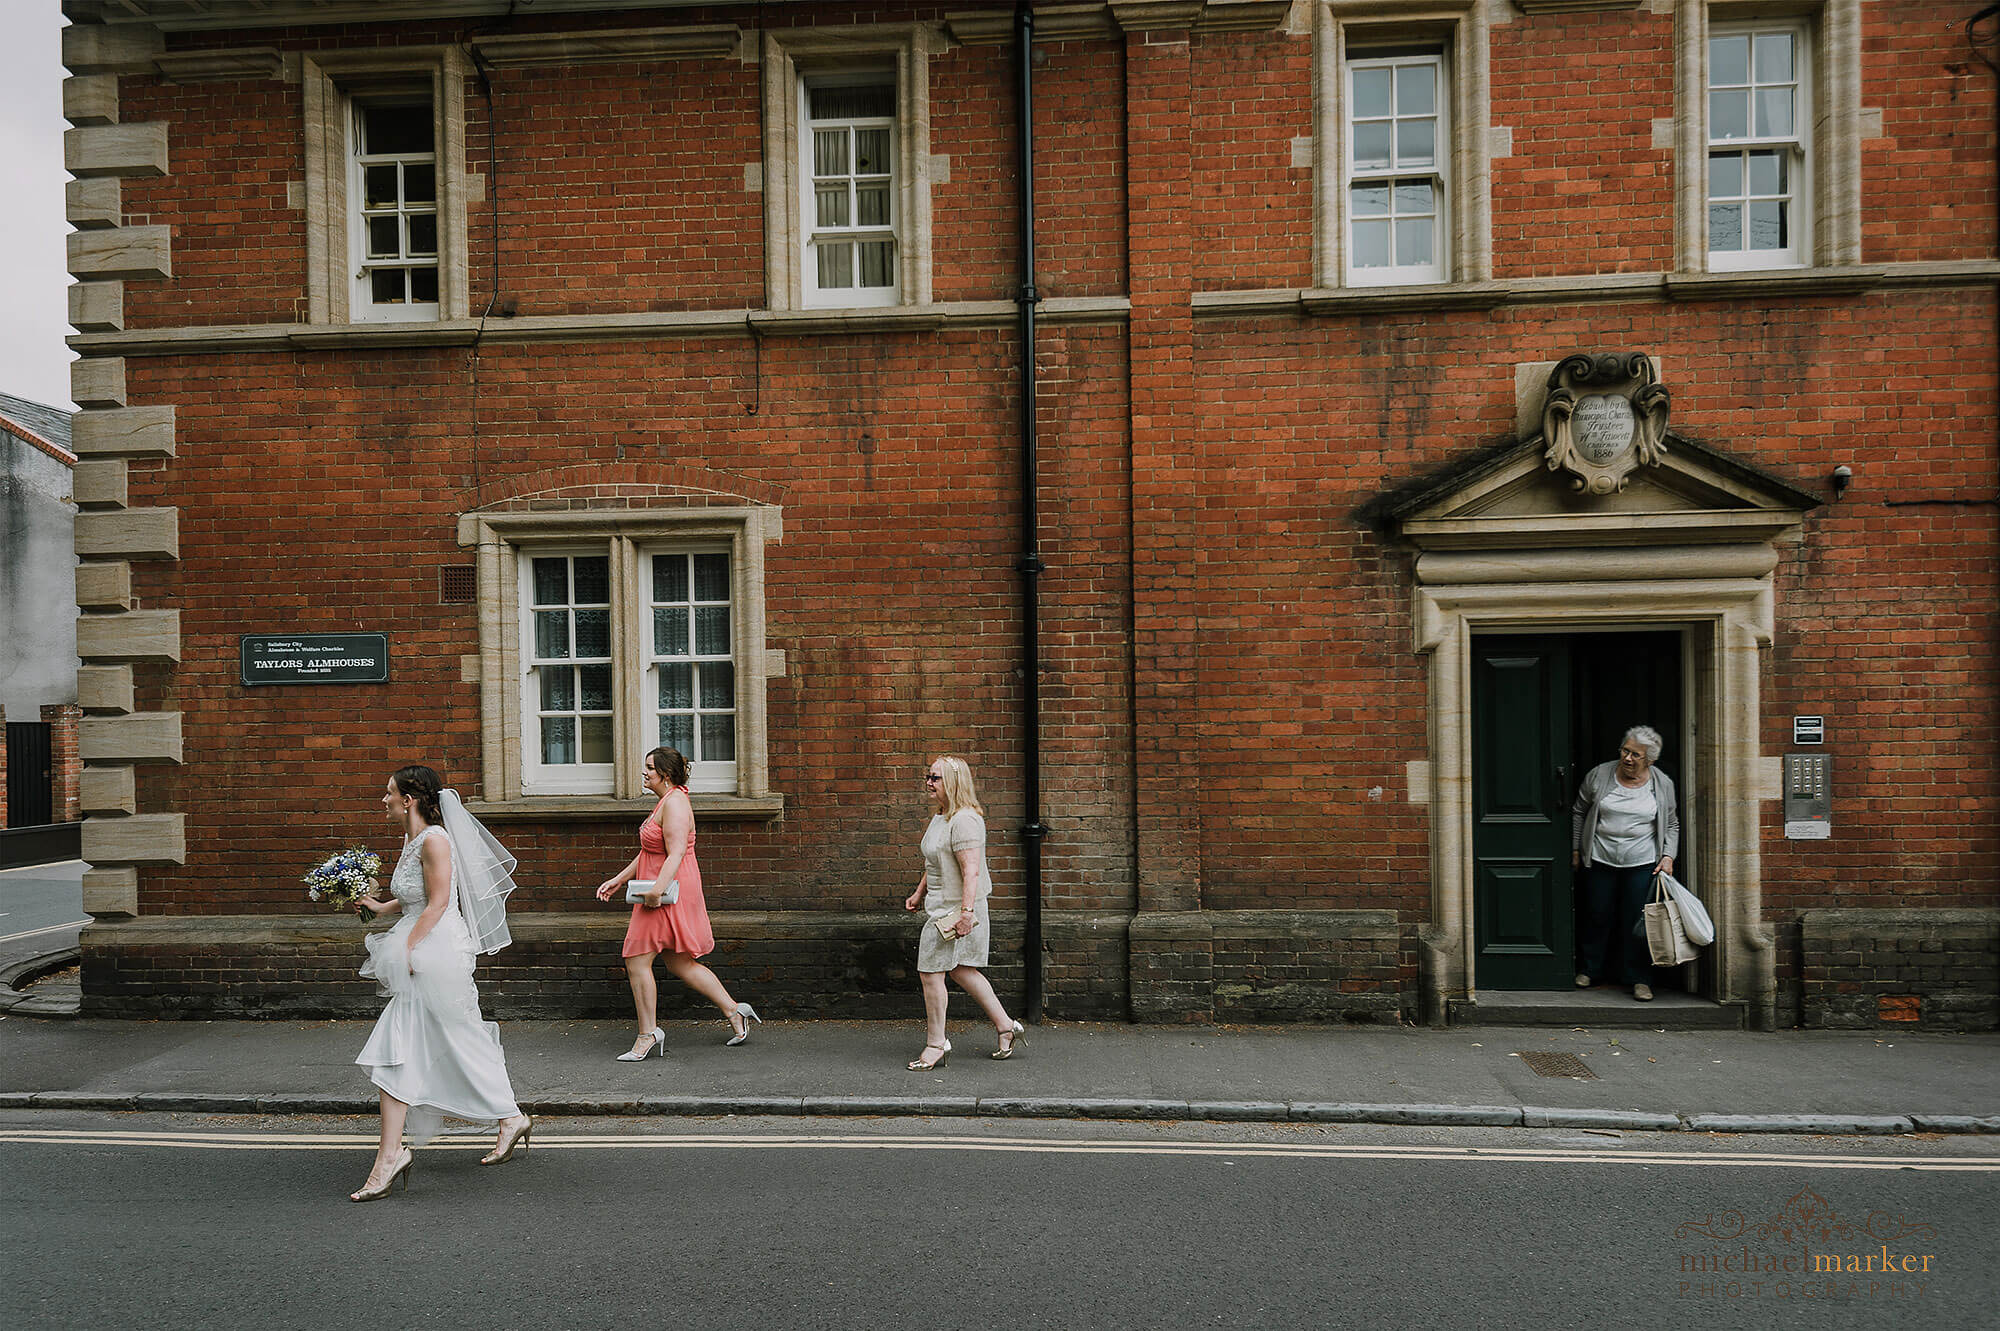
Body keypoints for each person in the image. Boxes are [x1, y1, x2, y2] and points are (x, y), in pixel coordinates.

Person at [350, 764, 533, 1202]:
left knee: (429, 1042)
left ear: (409, 799)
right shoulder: (412, 840)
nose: (385, 800)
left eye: (389, 793)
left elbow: (436, 904)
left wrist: (408, 950)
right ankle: (508, 1117)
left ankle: (393, 1156)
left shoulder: (434, 839)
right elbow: (414, 897)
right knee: (442, 1040)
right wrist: (379, 908)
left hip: (435, 950)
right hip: (419, 943)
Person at [595, 746, 759, 1058]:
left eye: (649, 768)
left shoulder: (676, 804)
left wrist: (656, 891)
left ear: (665, 775)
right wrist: (619, 879)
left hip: (668, 893)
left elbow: (676, 852)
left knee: (636, 958)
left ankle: (648, 1034)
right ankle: (734, 1010)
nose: (644, 772)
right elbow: (650, 852)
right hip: (660, 888)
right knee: (678, 961)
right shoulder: (664, 802)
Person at [901, 754, 1025, 1069]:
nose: (928, 782)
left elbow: (970, 871)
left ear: (953, 782)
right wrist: (919, 892)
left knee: (930, 971)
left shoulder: (965, 819)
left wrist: (967, 914)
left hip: (958, 909)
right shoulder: (942, 816)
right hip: (942, 906)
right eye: (927, 776)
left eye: (935, 778)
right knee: (961, 970)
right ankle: (1007, 1026)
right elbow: (936, 861)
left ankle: (936, 1044)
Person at [1571, 726, 1681, 1002]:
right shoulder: (1599, 774)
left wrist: (1668, 855)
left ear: (1650, 760)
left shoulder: (1662, 783)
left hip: (1642, 861)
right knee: (1597, 915)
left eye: (1636, 755)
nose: (1628, 758)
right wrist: (1576, 848)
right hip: (1599, 857)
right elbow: (1579, 811)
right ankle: (1590, 969)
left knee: (1637, 923)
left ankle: (1639, 979)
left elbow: (1671, 823)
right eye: (1625, 751)